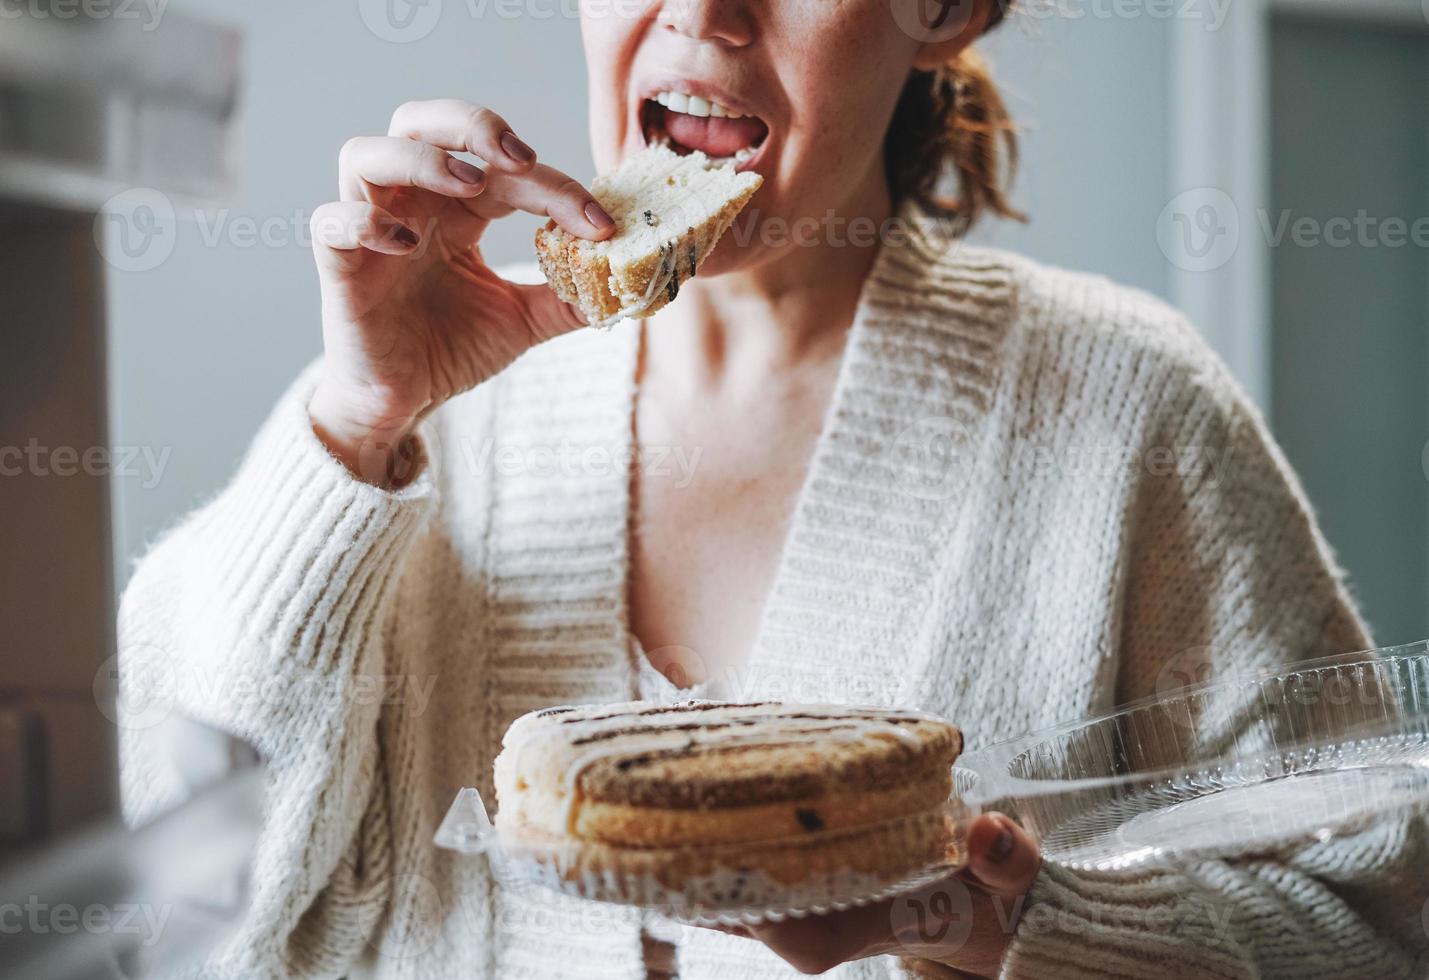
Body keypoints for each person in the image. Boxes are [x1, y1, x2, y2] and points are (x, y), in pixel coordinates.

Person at [117, 0, 1427, 977]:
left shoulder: (1124, 410)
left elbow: (1371, 929)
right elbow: (186, 901)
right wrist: (355, 422)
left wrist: (1007, 927)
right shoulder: (414, 416)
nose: (703, 10)